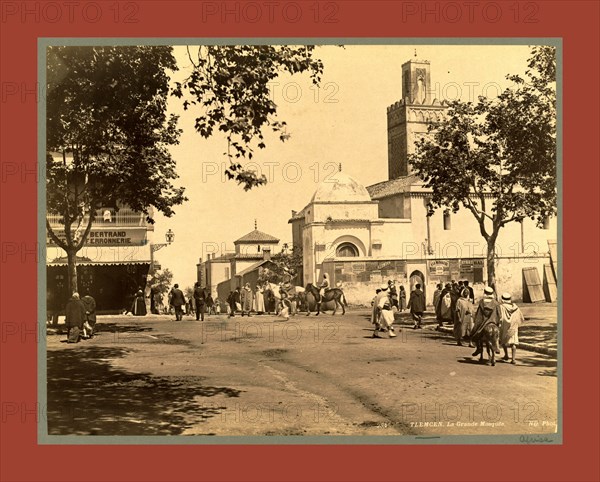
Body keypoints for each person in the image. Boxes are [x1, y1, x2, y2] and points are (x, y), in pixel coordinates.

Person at [471, 286, 502, 357]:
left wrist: (477, 322)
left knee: (476, 333)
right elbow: (499, 314)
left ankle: (478, 348)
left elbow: (479, 314)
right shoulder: (496, 303)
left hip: (483, 323)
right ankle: (497, 346)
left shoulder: (482, 302)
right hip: (493, 322)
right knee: (497, 334)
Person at [499, 293, 524, 365]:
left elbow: (500, 316)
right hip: (513, 327)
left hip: (505, 326)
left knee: (504, 340)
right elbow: (520, 317)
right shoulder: (515, 307)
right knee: (513, 342)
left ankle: (506, 355)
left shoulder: (501, 307)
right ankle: (513, 359)